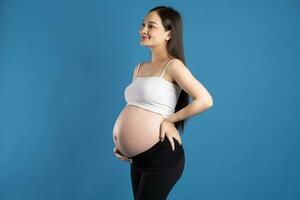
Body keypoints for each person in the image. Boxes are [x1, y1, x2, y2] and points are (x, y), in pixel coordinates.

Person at [112, 5, 214, 200]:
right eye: (143, 25)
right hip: (138, 160)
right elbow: (137, 107)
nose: (143, 30)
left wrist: (170, 120)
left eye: (151, 26)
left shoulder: (173, 65)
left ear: (168, 34)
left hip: (161, 156)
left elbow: (206, 100)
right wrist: (123, 144)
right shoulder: (139, 68)